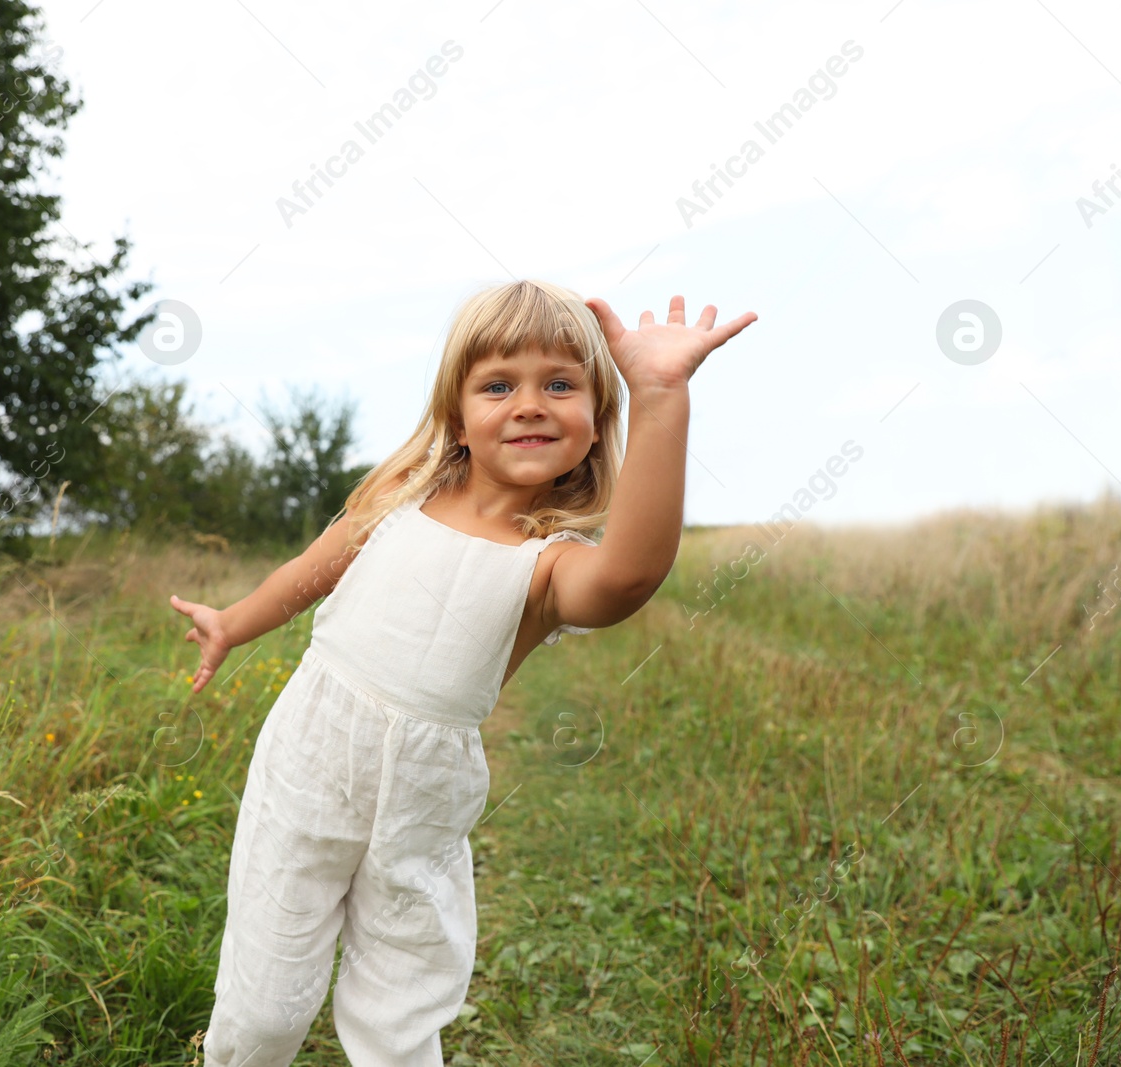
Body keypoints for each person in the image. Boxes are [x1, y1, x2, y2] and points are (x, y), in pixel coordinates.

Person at [169, 279, 756, 1065]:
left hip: (424, 794)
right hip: (309, 758)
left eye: (560, 384)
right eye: (498, 384)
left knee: (401, 1006)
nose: (530, 403)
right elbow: (309, 574)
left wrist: (660, 396)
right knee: (266, 1005)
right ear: (457, 414)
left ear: (595, 422)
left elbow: (627, 581)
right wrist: (232, 623)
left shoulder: (549, 563)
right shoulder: (400, 497)